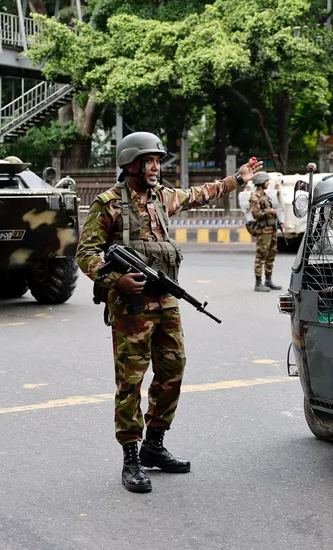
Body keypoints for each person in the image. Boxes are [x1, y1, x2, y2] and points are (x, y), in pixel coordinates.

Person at [75, 131, 261, 494]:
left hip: (166, 302)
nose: (157, 167)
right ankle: (130, 457)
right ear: (132, 164)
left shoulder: (162, 198)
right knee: (130, 381)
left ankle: (154, 446)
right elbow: (85, 253)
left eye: (159, 161)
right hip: (131, 306)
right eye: (150, 161)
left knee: (173, 370)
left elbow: (199, 195)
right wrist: (115, 280)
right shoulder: (109, 204)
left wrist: (237, 179)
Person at [249, 173, 282, 292]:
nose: (268, 183)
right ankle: (258, 283)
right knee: (261, 255)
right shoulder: (255, 197)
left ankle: (268, 280)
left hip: (271, 229)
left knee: (271, 255)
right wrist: (269, 211)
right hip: (263, 231)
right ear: (261, 182)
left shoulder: (265, 195)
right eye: (267, 181)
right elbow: (256, 214)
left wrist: (278, 222)